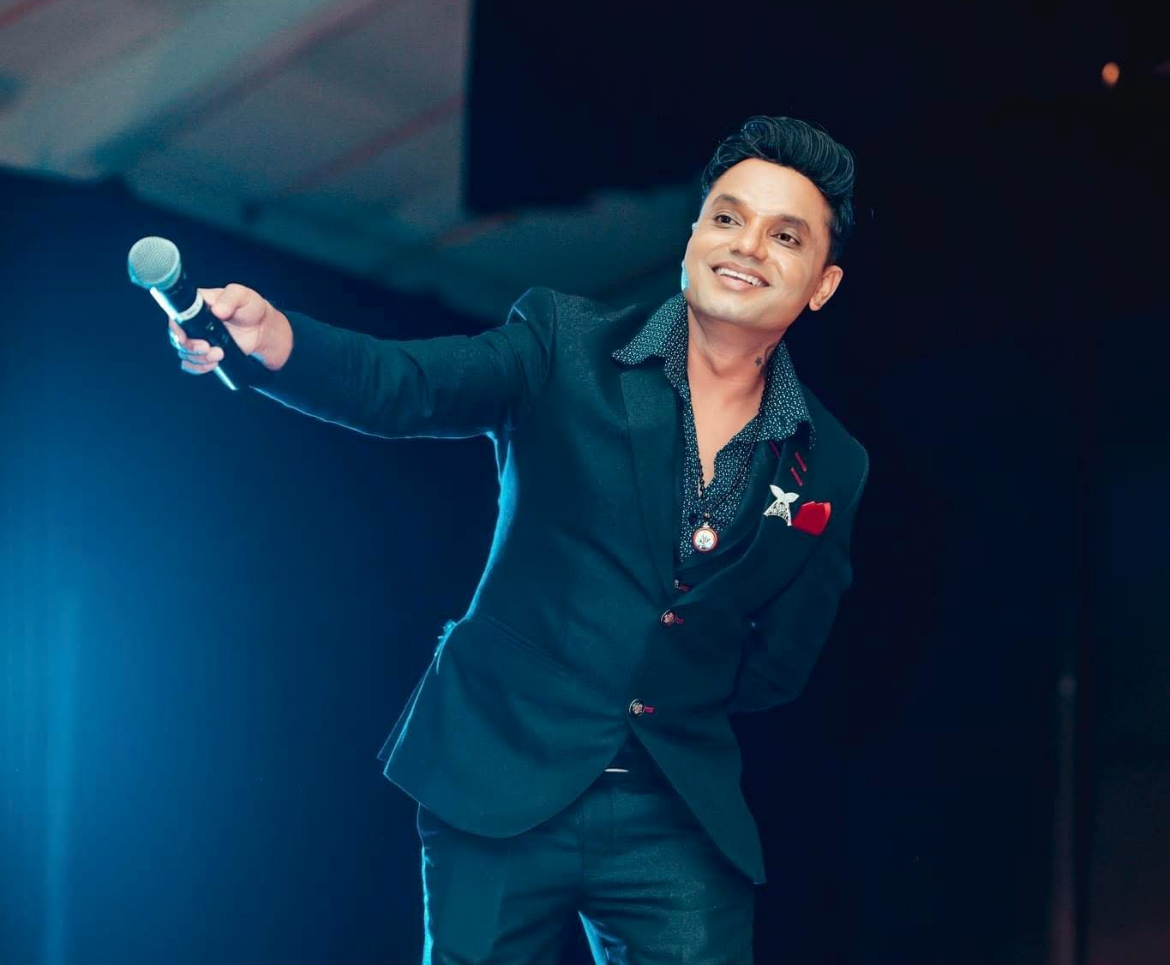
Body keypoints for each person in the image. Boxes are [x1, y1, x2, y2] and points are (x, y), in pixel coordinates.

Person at [170, 115, 869, 965]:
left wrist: (667, 688)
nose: (747, 246)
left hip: (674, 808)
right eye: (728, 217)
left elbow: (782, 661)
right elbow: (410, 385)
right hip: (499, 769)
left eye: (785, 235)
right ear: (693, 236)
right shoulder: (563, 342)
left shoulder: (833, 463)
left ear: (823, 283)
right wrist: (278, 342)